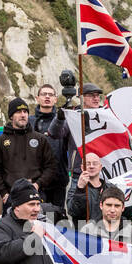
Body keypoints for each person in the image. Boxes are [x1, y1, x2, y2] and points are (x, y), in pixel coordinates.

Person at [0, 98, 61, 202]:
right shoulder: (0, 141)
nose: (23, 115)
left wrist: (38, 184)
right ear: (11, 116)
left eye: (25, 112)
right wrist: (3, 192)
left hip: (37, 194)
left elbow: (51, 166)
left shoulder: (40, 139)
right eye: (18, 112)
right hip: (11, 196)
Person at [32, 83, 76, 214]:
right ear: (37, 98)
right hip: (36, 182)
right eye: (43, 94)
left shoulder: (63, 121)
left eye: (50, 95)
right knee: (38, 220)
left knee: (58, 220)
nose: (47, 97)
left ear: (56, 99)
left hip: (58, 180)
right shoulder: (29, 122)